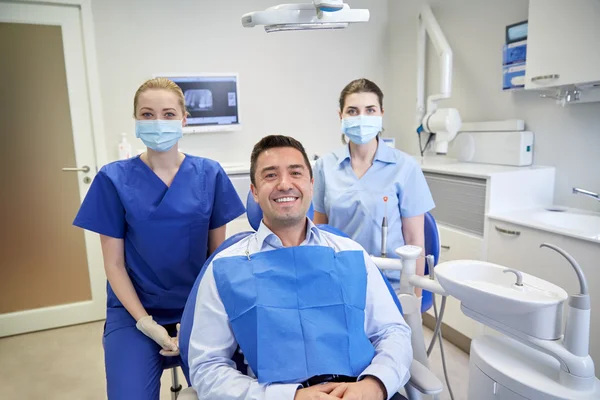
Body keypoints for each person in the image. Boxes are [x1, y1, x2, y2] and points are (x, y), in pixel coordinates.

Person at [186, 135, 413, 400]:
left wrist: (375, 384)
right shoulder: (226, 267)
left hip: (360, 388)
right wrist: (289, 397)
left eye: (295, 173)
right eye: (270, 175)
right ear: (255, 192)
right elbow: (207, 366)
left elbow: (392, 331)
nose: (284, 184)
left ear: (311, 184)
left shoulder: (351, 253)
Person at [72, 77, 246, 399]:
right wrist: (145, 323)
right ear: (136, 121)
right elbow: (114, 265)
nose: (158, 122)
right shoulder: (113, 179)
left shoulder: (209, 174)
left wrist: (198, 316)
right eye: (147, 114)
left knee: (226, 390)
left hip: (198, 305)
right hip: (134, 310)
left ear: (183, 120)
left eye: (168, 114)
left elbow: (215, 260)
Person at [312, 78, 435, 297]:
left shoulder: (405, 167)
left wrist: (413, 297)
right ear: (340, 115)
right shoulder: (324, 166)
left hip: (392, 282)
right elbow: (321, 231)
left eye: (370, 110)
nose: (361, 118)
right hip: (340, 279)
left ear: (381, 113)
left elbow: (415, 239)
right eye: (352, 111)